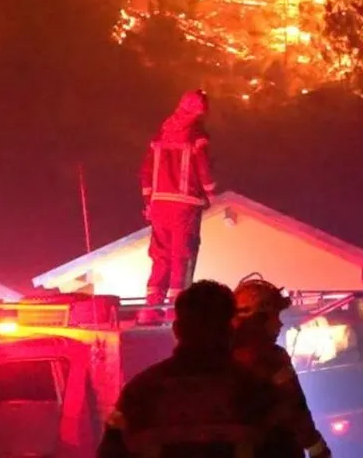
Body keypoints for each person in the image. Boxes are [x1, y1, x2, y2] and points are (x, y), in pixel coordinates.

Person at [97, 280, 281, 458]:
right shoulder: (257, 392)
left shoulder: (139, 392)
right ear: (230, 330)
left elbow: (111, 453)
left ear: (177, 330)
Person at [138, 89, 217, 321]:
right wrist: (211, 193)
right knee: (183, 255)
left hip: (159, 206)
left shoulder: (161, 134)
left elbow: (145, 171)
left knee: (161, 257)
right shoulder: (196, 135)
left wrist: (149, 201)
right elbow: (203, 168)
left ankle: (150, 311)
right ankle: (177, 311)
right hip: (185, 205)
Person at [231, 276, 332, 458]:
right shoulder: (272, 357)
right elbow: (295, 406)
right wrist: (318, 449)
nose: (279, 324)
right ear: (257, 317)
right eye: (274, 316)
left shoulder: (216, 355)